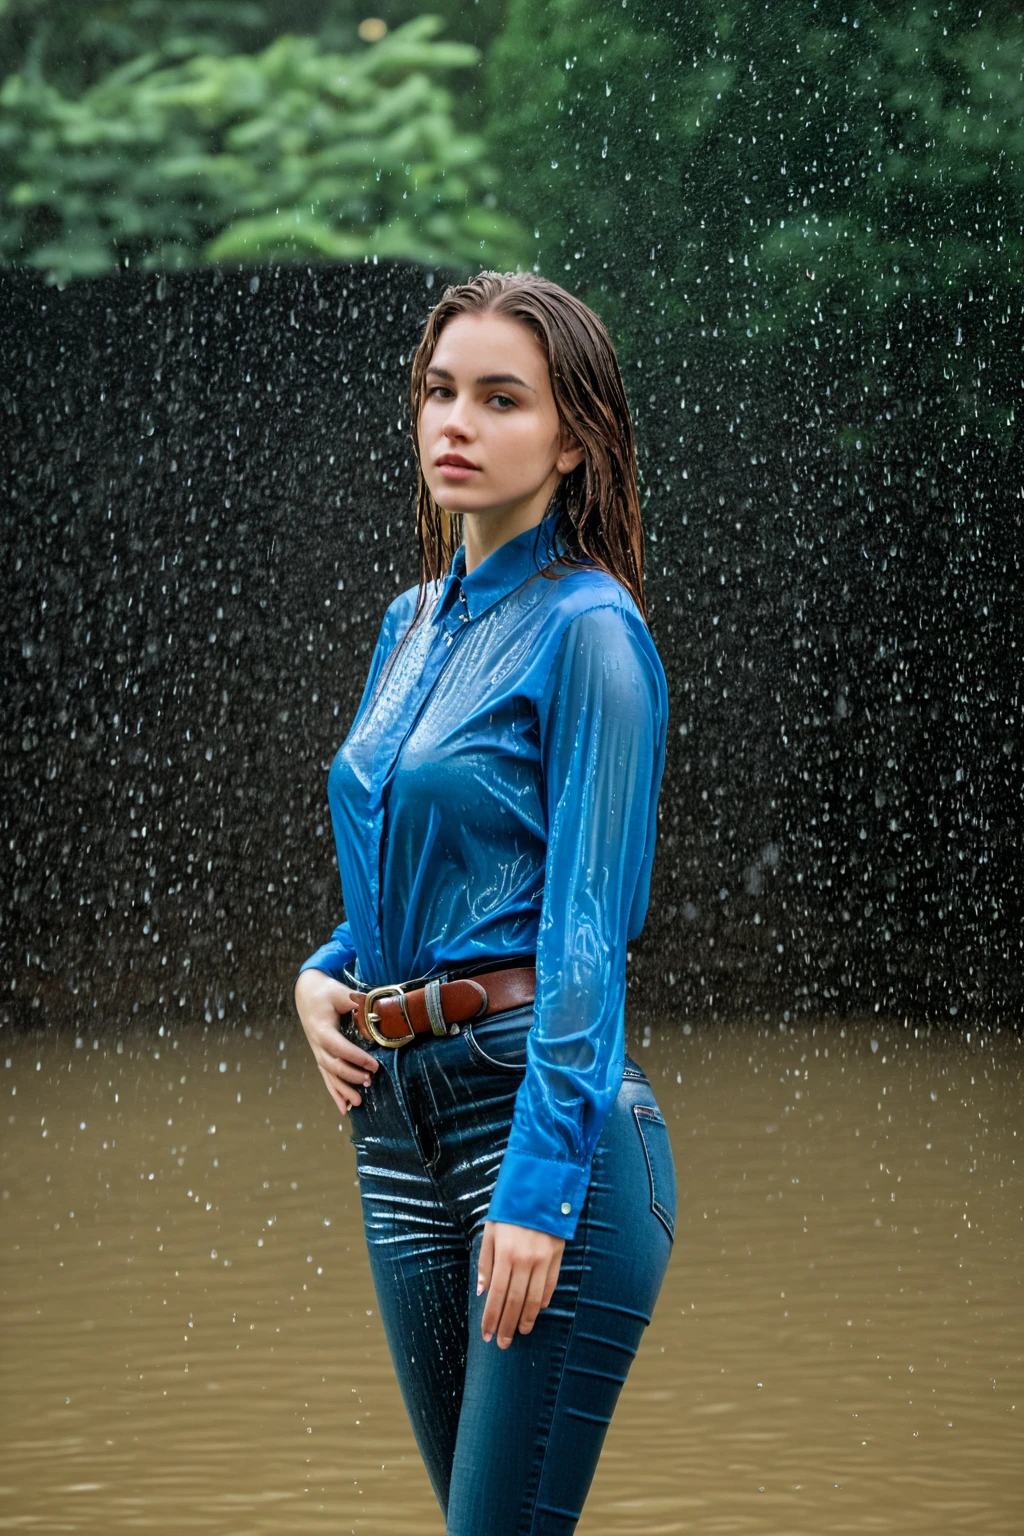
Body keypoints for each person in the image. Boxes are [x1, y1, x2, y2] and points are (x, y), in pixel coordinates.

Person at [294, 270, 675, 1535]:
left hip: (538, 1124)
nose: (455, 421)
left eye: (500, 399)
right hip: (395, 1139)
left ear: (573, 440)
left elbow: (582, 932)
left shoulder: (593, 633)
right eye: (439, 391)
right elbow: (408, 876)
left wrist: (539, 1189)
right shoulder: (407, 626)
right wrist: (324, 969)